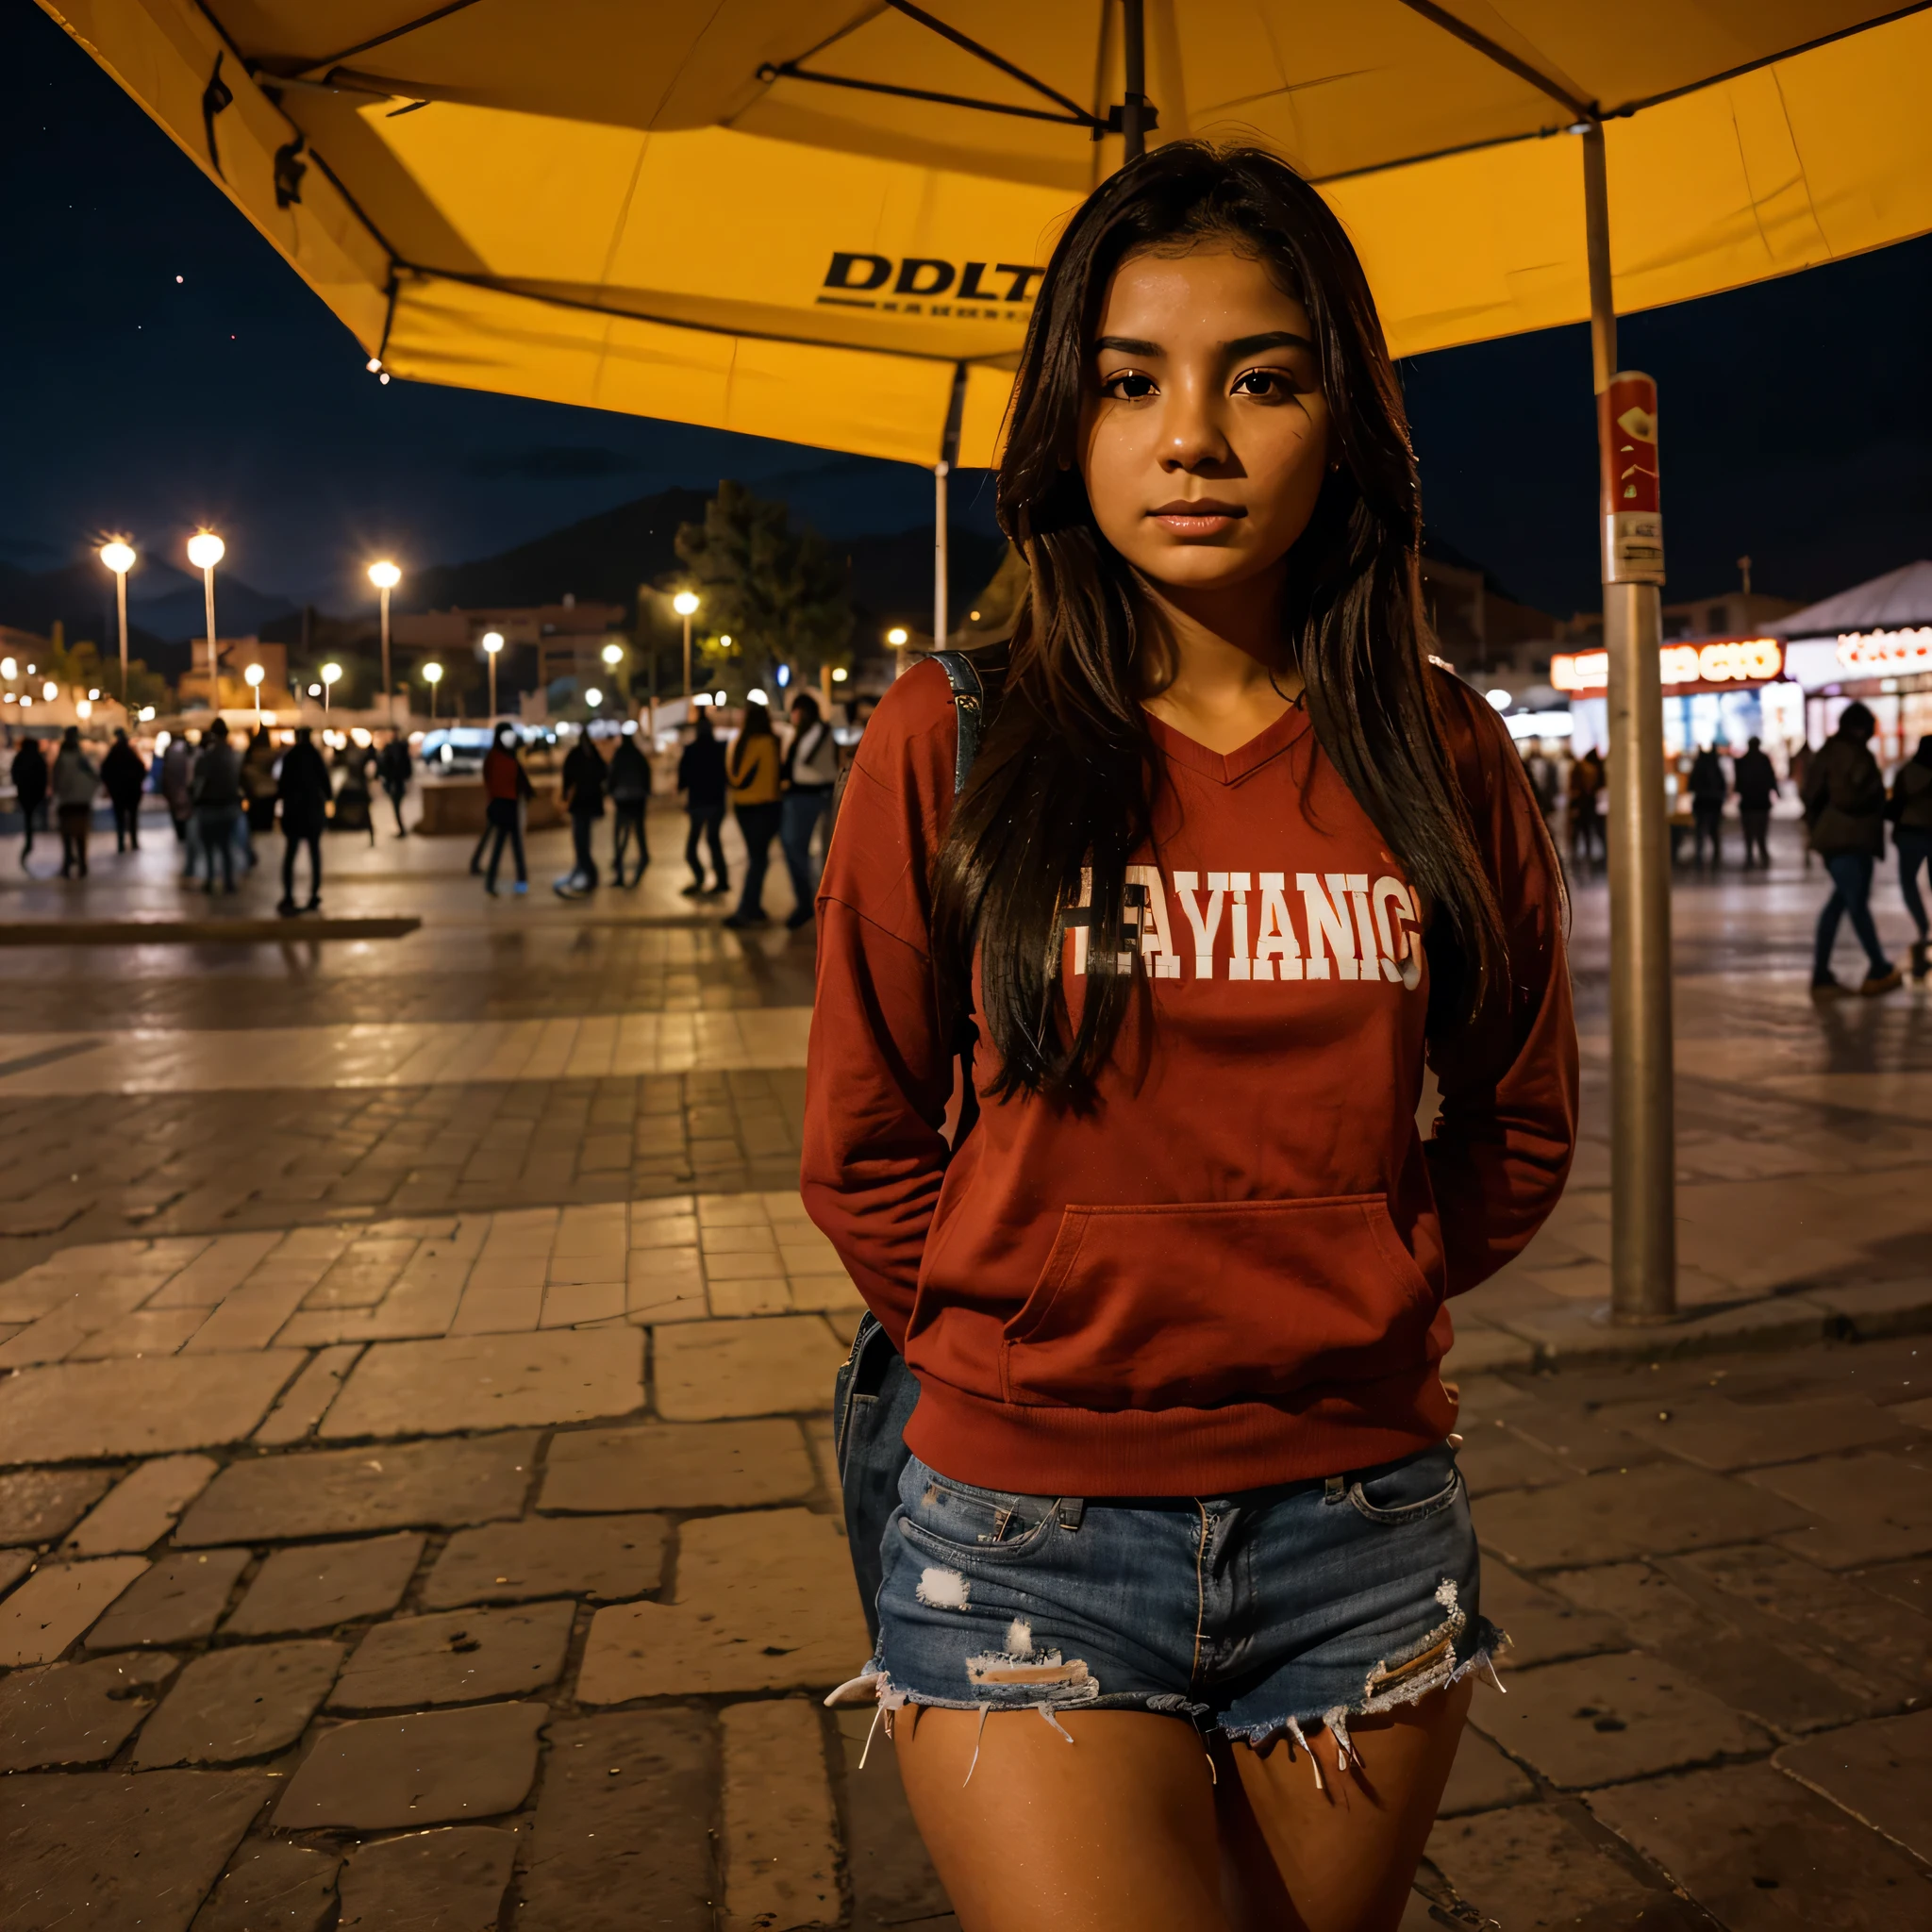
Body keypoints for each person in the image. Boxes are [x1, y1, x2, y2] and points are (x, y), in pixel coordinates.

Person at [801, 142, 1577, 1931]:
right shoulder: (953, 737)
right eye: (1131, 380)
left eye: (1261, 378)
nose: (1192, 439)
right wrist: (1030, 1334)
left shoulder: (1442, 753)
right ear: (1066, 420)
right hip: (1025, 1544)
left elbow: (1515, 1122)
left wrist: (1340, 1281)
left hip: (1362, 1531)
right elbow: (859, 1143)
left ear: (1344, 418)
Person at [1803, 701, 1899, 996]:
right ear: (1860, 728)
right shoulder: (1852, 755)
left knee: (1840, 903)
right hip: (1849, 839)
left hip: (1837, 838)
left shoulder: (1829, 753)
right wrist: (1878, 800)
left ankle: (1822, 975)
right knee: (1855, 903)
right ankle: (1878, 966)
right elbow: (1851, 796)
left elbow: (1812, 794)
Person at [778, 690, 840, 928]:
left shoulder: (819, 732)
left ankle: (808, 901)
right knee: (797, 847)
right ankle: (808, 900)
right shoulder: (807, 733)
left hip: (808, 796)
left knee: (795, 846)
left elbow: (806, 762)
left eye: (794, 711)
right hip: (801, 795)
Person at [722, 699, 781, 929]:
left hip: (742, 806)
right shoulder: (768, 742)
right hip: (765, 806)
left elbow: (735, 776)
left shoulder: (740, 742)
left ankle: (752, 907)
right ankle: (746, 909)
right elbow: (775, 774)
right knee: (758, 859)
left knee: (757, 857)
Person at [1889, 732, 1932, 981]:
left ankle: (1922, 925)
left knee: (1908, 883)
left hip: (1910, 834)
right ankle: (1925, 927)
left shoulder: (1907, 772)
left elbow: (1897, 803)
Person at [275, 724, 332, 915]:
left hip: (293, 813)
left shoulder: (290, 757)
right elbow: (327, 785)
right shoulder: (315, 756)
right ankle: (314, 894)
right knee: (315, 854)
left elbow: (281, 787)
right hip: (313, 813)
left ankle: (288, 895)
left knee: (291, 854)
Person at [677, 708, 729, 898]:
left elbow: (682, 780)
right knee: (713, 842)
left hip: (698, 803)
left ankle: (700, 878)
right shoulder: (720, 749)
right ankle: (722, 881)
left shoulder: (690, 750)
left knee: (692, 847)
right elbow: (727, 776)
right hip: (716, 802)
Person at [190, 717, 242, 894]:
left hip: (209, 808)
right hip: (229, 807)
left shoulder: (207, 757)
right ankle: (228, 882)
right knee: (226, 847)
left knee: (210, 848)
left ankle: (211, 880)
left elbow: (198, 784)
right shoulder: (234, 756)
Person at [480, 722, 533, 896]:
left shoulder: (497, 757)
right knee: (508, 846)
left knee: (505, 846)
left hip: (505, 805)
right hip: (504, 805)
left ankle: (513, 883)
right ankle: (518, 882)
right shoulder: (501, 757)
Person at [557, 727, 607, 897]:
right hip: (590, 804)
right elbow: (604, 774)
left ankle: (586, 873)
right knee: (583, 840)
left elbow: (567, 776)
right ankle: (584, 872)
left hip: (580, 805)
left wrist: (565, 794)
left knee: (580, 841)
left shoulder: (577, 754)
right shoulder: (592, 754)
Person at [608, 727, 653, 889]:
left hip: (623, 801)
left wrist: (611, 791)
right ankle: (641, 859)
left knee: (620, 836)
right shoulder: (637, 755)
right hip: (637, 800)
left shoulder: (620, 755)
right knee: (638, 834)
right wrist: (646, 792)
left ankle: (620, 871)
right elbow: (647, 773)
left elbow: (612, 775)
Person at [51, 726, 99, 878]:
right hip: (81, 803)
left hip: (67, 803)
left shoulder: (63, 758)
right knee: (80, 836)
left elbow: (57, 780)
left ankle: (68, 864)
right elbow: (95, 777)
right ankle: (82, 865)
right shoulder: (81, 758)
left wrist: (61, 792)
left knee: (67, 835)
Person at [1733, 735, 1779, 869]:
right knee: (1761, 831)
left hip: (1748, 802)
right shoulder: (1763, 760)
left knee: (1749, 832)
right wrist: (1776, 791)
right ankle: (1761, 854)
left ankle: (1751, 855)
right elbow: (1771, 778)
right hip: (1761, 802)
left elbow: (1738, 784)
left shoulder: (1742, 761)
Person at [101, 728, 147, 852]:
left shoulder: (114, 753)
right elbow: (142, 769)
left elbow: (105, 771)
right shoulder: (130, 753)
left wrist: (111, 786)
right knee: (132, 818)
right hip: (131, 791)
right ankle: (133, 842)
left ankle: (121, 843)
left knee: (120, 818)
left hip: (119, 792)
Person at [1688, 742, 1727, 867]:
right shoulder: (1716, 768)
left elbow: (1691, 786)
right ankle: (1715, 855)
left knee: (1701, 831)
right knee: (1713, 830)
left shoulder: (1699, 767)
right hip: (1713, 803)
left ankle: (1700, 855)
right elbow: (1723, 786)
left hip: (1702, 803)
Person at [11, 734, 48, 871]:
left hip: (24, 793)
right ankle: (32, 838)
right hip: (36, 793)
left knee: (28, 817)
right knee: (33, 816)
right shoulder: (38, 757)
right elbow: (43, 774)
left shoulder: (20, 757)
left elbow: (14, 773)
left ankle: (29, 841)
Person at [1567, 746, 1604, 868]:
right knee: (1587, 836)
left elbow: (1574, 790)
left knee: (1578, 837)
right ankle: (1585, 863)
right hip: (1588, 808)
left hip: (1581, 808)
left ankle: (1578, 863)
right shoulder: (1592, 770)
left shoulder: (1581, 768)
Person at [376, 730, 412, 837]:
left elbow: (385, 766)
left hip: (394, 782)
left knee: (396, 807)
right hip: (398, 782)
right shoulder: (401, 750)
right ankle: (401, 828)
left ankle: (401, 828)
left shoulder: (391, 750)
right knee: (397, 806)